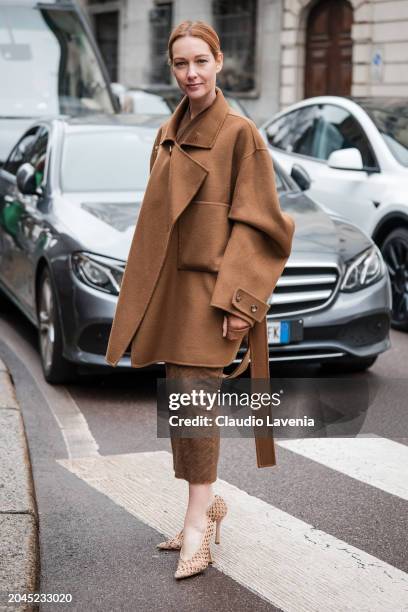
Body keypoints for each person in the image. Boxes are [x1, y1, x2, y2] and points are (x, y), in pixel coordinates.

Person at [105, 20, 295, 579]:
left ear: (219, 64)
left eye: (200, 62)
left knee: (194, 403)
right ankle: (203, 507)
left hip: (213, 297)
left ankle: (197, 525)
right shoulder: (169, 131)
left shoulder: (239, 133)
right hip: (174, 295)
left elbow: (262, 226)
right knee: (184, 404)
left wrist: (241, 302)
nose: (191, 73)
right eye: (181, 63)